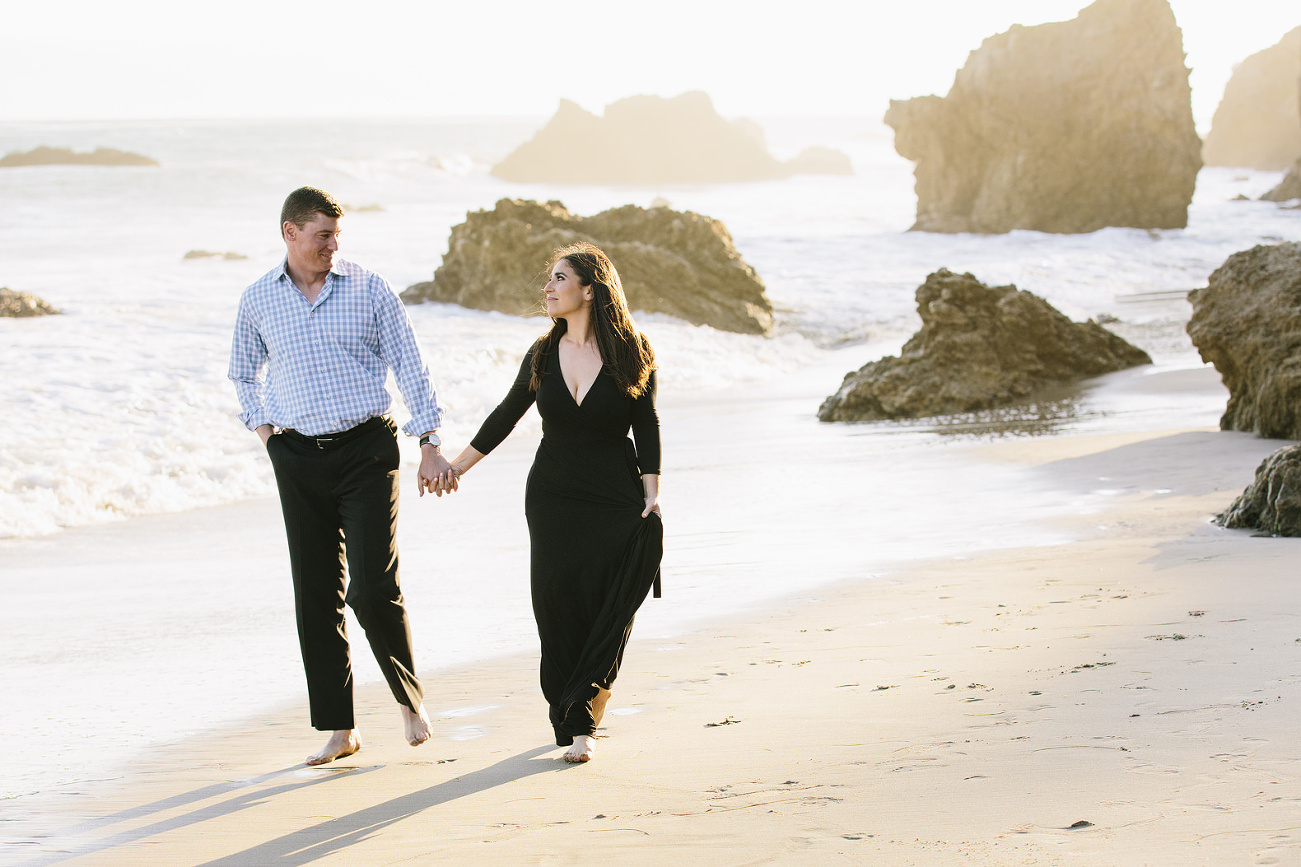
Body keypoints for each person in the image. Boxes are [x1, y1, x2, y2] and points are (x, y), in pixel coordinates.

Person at [228, 186, 456, 766]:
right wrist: (266, 435)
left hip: (367, 451)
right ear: (290, 233)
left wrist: (429, 442)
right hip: (296, 456)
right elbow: (242, 374)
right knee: (315, 594)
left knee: (374, 585)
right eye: (322, 235)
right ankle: (340, 728)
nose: (334, 245)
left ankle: (408, 701)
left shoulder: (369, 288)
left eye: (337, 235)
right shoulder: (258, 300)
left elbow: (410, 364)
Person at [438, 242, 663, 763]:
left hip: (614, 495)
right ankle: (568, 716)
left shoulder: (633, 351)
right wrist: (456, 467)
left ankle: (584, 712)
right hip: (553, 496)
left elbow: (646, 423)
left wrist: (652, 492)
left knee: (608, 604)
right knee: (556, 605)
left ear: (590, 289)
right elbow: (506, 415)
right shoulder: (541, 354)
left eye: (560, 278)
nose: (549, 286)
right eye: (549, 278)